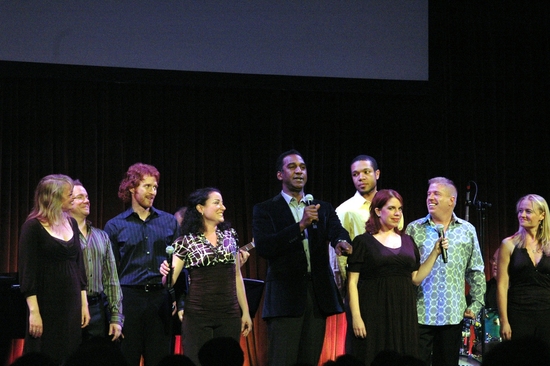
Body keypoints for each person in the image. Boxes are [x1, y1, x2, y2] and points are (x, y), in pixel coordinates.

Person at [252, 149, 352, 366]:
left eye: (303, 167)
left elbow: (336, 230)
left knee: (310, 360)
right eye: (292, 167)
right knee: (282, 360)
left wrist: (341, 242)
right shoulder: (265, 209)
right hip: (285, 298)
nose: (299, 171)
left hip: (317, 295)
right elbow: (265, 246)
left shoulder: (321, 207)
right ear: (280, 175)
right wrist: (300, 226)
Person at [347, 189, 447, 366]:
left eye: (399, 209)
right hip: (373, 312)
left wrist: (436, 252)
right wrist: (356, 316)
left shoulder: (408, 240)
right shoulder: (363, 241)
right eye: (392, 208)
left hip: (403, 313)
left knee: (403, 357)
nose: (397, 213)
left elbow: (415, 278)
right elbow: (353, 282)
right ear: (378, 211)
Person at [160, 187, 252, 365]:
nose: (223, 207)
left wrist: (246, 312)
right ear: (200, 208)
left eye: (222, 203)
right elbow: (169, 282)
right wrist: (165, 273)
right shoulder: (185, 241)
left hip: (228, 314)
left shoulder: (230, 236)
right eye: (217, 203)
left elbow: (237, 276)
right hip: (198, 317)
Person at [405, 177, 485, 366]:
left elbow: (476, 270)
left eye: (436, 194)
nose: (430, 198)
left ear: (452, 200)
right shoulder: (414, 229)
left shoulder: (467, 230)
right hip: (420, 313)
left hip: (452, 314)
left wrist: (476, 304)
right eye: (428, 194)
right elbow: (407, 271)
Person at [104, 163, 178, 366]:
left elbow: (181, 264)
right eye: (147, 186)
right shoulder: (115, 225)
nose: (152, 192)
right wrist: (113, 310)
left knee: (160, 359)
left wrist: (176, 297)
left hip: (159, 299)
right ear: (131, 187)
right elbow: (109, 272)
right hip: (129, 300)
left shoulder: (169, 222)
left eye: (155, 187)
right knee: (127, 358)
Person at [17, 174, 90, 364]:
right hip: (46, 303)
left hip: (71, 303)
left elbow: (78, 265)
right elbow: (28, 272)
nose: (73, 198)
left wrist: (84, 303)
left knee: (70, 352)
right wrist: (34, 312)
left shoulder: (72, 223)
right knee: (46, 353)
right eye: (69, 195)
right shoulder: (32, 227)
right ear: (55, 197)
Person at [69, 179, 124, 342]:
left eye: (87, 197)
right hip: (70, 307)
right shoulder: (61, 237)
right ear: (67, 202)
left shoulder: (102, 236)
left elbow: (111, 279)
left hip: (97, 308)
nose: (86, 200)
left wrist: (116, 317)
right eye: (80, 197)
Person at [497, 194, 550, 344]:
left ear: (542, 215)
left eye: (528, 211)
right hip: (519, 314)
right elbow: (502, 286)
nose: (522, 215)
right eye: (520, 211)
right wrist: (504, 321)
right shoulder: (509, 244)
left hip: (547, 313)